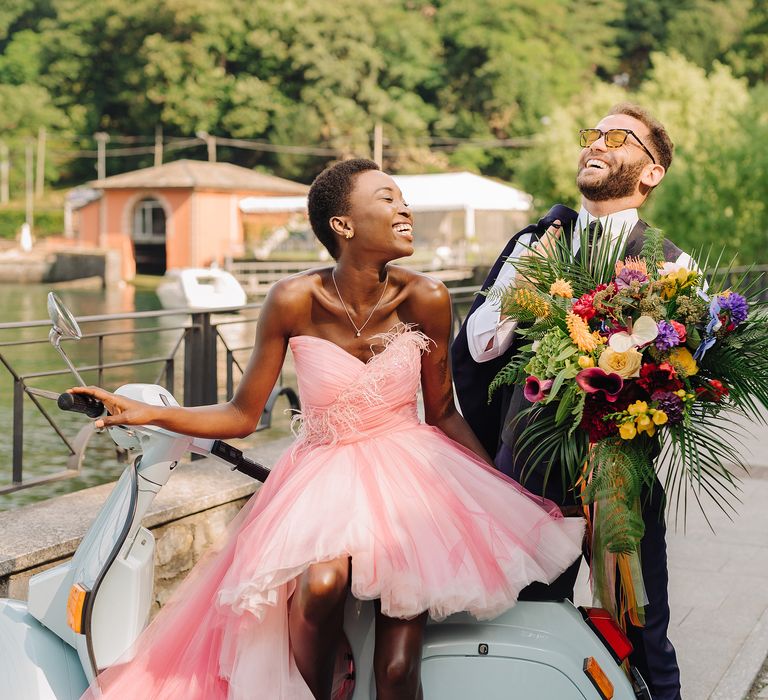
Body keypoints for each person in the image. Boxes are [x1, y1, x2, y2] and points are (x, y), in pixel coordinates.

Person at [74, 158, 584, 700]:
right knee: (320, 585)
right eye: (387, 198)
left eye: (402, 197)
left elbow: (443, 414)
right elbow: (243, 415)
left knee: (395, 671)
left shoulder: (426, 297)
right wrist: (152, 413)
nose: (404, 207)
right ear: (343, 225)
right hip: (324, 474)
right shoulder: (293, 299)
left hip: (410, 479)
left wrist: (503, 497)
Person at [452, 103, 692, 700]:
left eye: (618, 137)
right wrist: (525, 286)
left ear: (651, 171)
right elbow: (479, 348)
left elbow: (685, 380)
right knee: (524, 625)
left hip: (619, 481)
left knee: (645, 634)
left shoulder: (674, 267)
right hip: (527, 477)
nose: (598, 144)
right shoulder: (536, 241)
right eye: (593, 134)